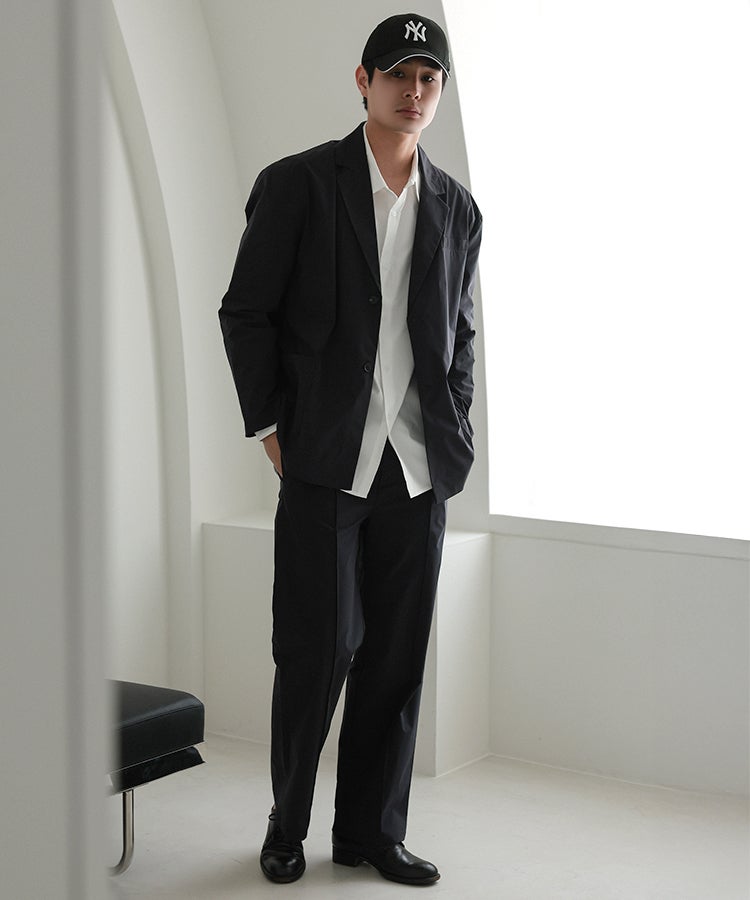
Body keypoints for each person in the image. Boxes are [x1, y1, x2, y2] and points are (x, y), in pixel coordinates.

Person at [219, 12, 482, 887]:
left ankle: (371, 833)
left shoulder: (457, 208)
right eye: (399, 74)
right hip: (325, 460)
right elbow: (246, 311)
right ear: (363, 81)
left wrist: (454, 426)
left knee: (396, 662)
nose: (415, 92)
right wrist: (270, 429)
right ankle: (286, 824)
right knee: (315, 652)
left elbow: (460, 334)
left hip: (417, 467)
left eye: (429, 79)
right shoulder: (298, 185)